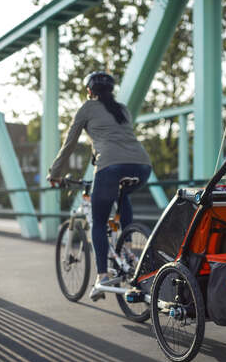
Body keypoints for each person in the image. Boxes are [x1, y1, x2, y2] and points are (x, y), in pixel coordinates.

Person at [47, 71, 152, 301]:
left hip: (110, 167)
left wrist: (55, 173)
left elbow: (70, 143)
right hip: (142, 166)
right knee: (122, 197)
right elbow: (119, 138)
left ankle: (102, 275)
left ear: (89, 91)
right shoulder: (122, 109)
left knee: (99, 220)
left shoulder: (87, 108)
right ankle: (128, 249)